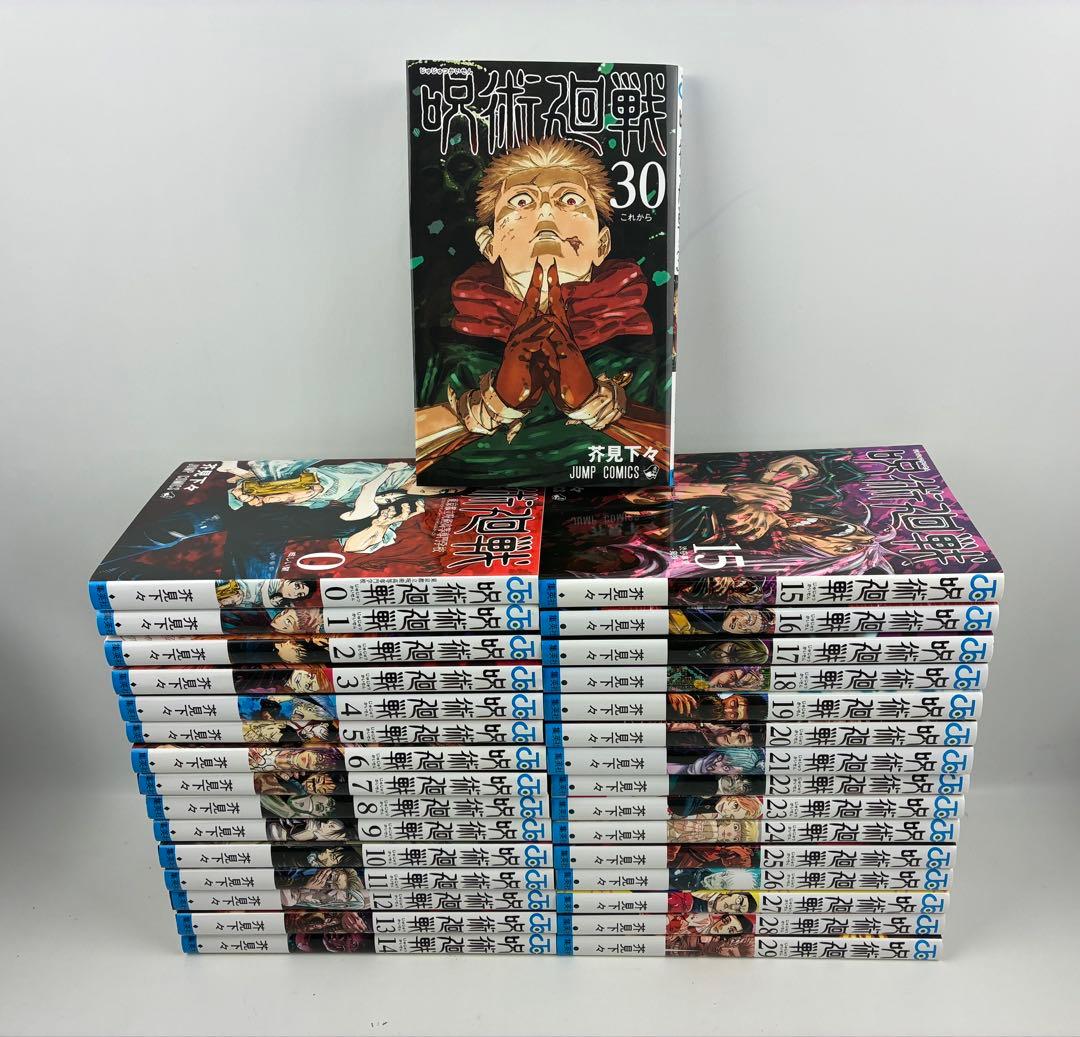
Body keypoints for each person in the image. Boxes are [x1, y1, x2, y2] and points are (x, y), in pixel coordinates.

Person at [413, 138, 670, 480]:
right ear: (488, 244)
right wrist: (490, 404)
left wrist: (596, 402)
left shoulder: (649, 350)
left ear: (602, 244)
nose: (546, 213)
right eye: (522, 201)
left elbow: (677, 459)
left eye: (570, 199)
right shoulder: (443, 351)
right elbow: (408, 457)